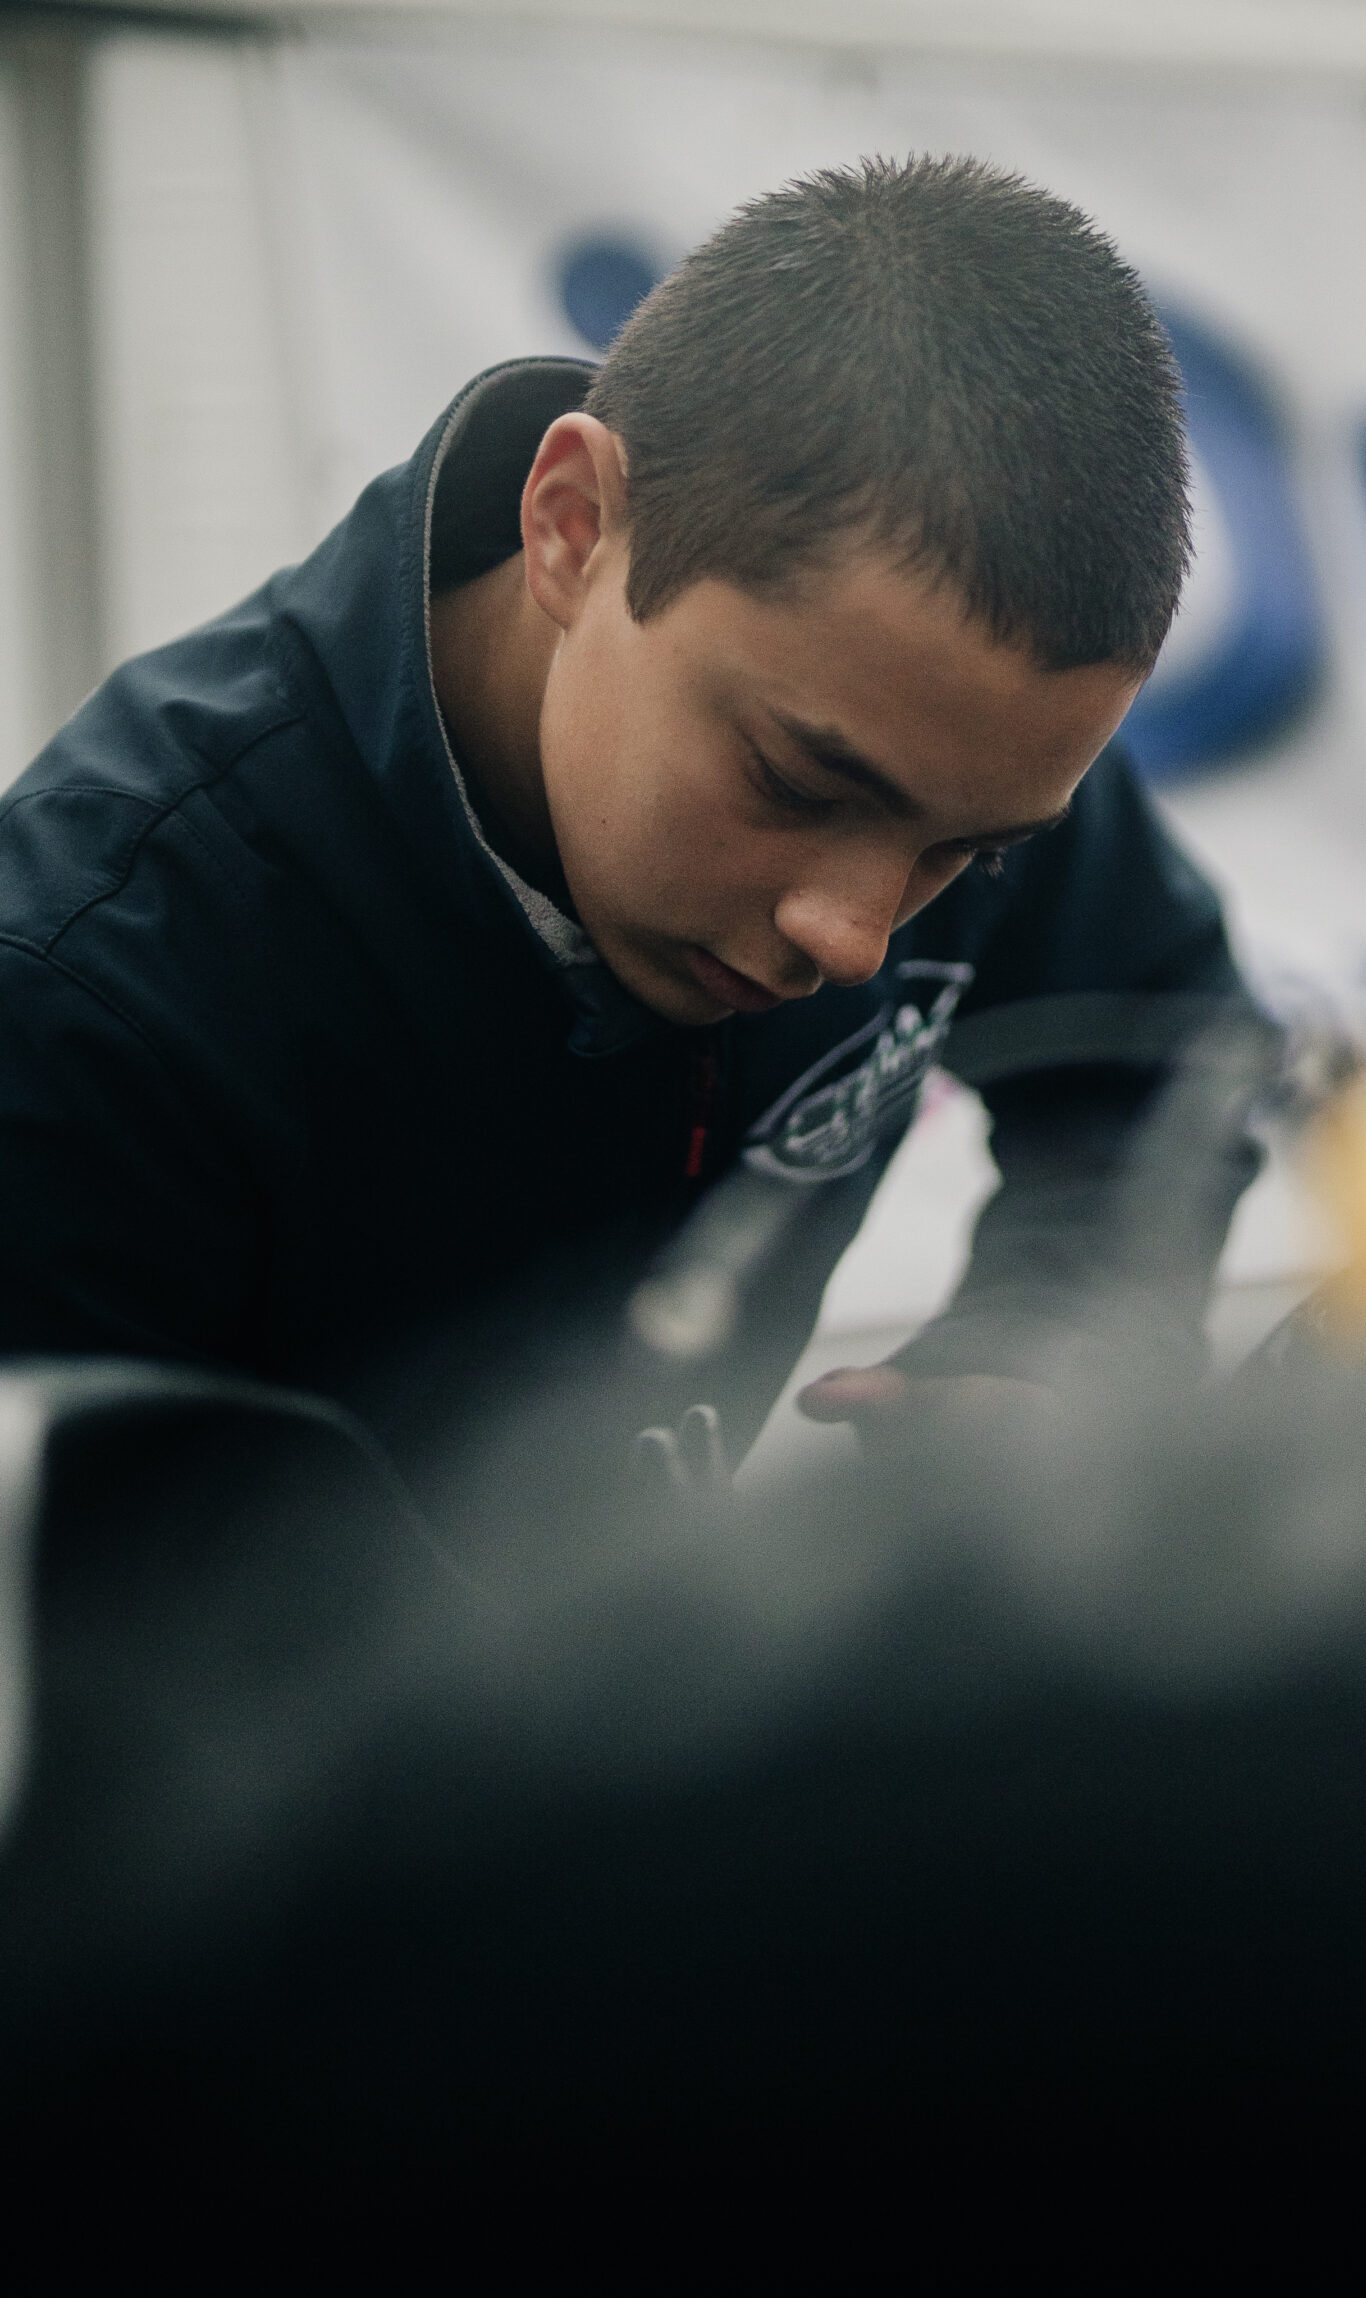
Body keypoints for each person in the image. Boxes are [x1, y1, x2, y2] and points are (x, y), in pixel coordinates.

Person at [0, 157, 1257, 1473]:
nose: (853, 938)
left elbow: (1167, 1049)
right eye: (794, 784)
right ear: (574, 525)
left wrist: (1055, 1350)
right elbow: (91, 1595)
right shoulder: (89, 1004)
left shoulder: (929, 737)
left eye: (970, 854)